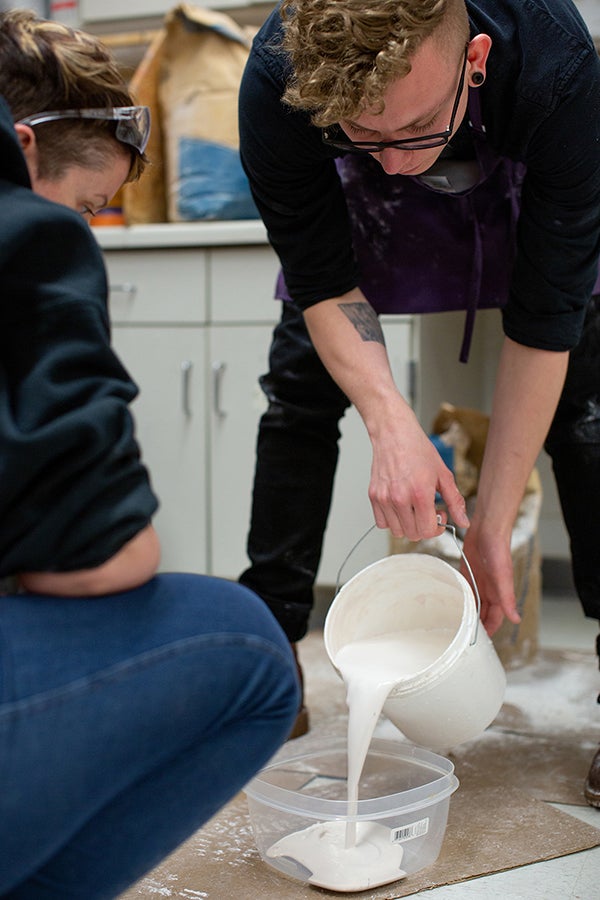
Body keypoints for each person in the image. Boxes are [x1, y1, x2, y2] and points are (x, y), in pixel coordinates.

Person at [237, 0, 600, 800]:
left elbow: (545, 322)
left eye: (411, 129)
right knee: (298, 394)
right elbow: (324, 283)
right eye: (361, 137)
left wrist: (492, 525)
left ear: (474, 58)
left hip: (520, 183)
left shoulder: (558, 68)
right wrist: (389, 419)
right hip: (350, 230)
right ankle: (267, 664)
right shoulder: (278, 76)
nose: (395, 166)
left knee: (589, 412)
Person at [0, 10, 299, 897]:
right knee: (251, 645)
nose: (87, 231)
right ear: (22, 151)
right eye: (88, 206)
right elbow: (108, 558)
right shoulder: (27, 238)